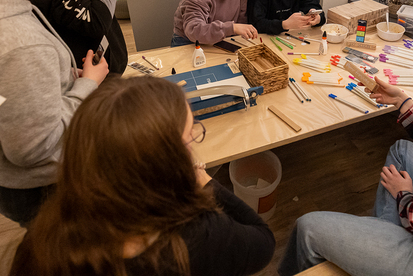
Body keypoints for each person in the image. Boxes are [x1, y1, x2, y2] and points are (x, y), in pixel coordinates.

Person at [278, 10, 413, 276]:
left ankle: (380, 245)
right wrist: (402, 101)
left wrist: (404, 195)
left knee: (308, 228)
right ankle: (379, 240)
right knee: (402, 151)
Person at [10, 76, 276, 276]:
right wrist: (203, 179)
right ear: (158, 164)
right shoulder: (201, 236)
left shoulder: (40, 242)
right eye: (187, 137)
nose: (194, 139)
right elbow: (264, 241)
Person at [0, 0, 108, 226]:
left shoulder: (17, 11)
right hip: (45, 188)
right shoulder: (22, 44)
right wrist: (86, 85)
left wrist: (56, 77)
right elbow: (33, 148)